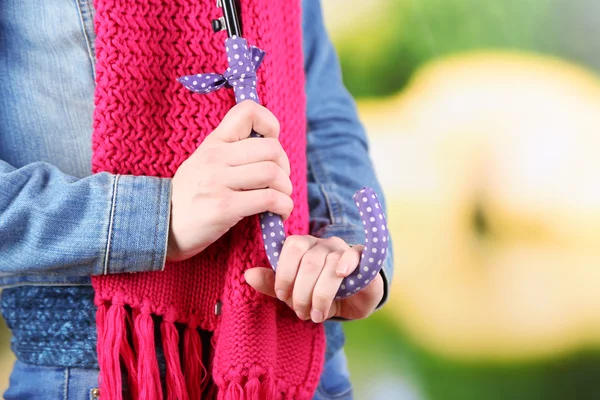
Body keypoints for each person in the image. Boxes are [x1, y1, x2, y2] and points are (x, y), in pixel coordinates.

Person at [0, 0, 393, 399]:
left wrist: (343, 248)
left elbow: (322, 112)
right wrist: (157, 217)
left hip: (304, 365)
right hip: (110, 373)